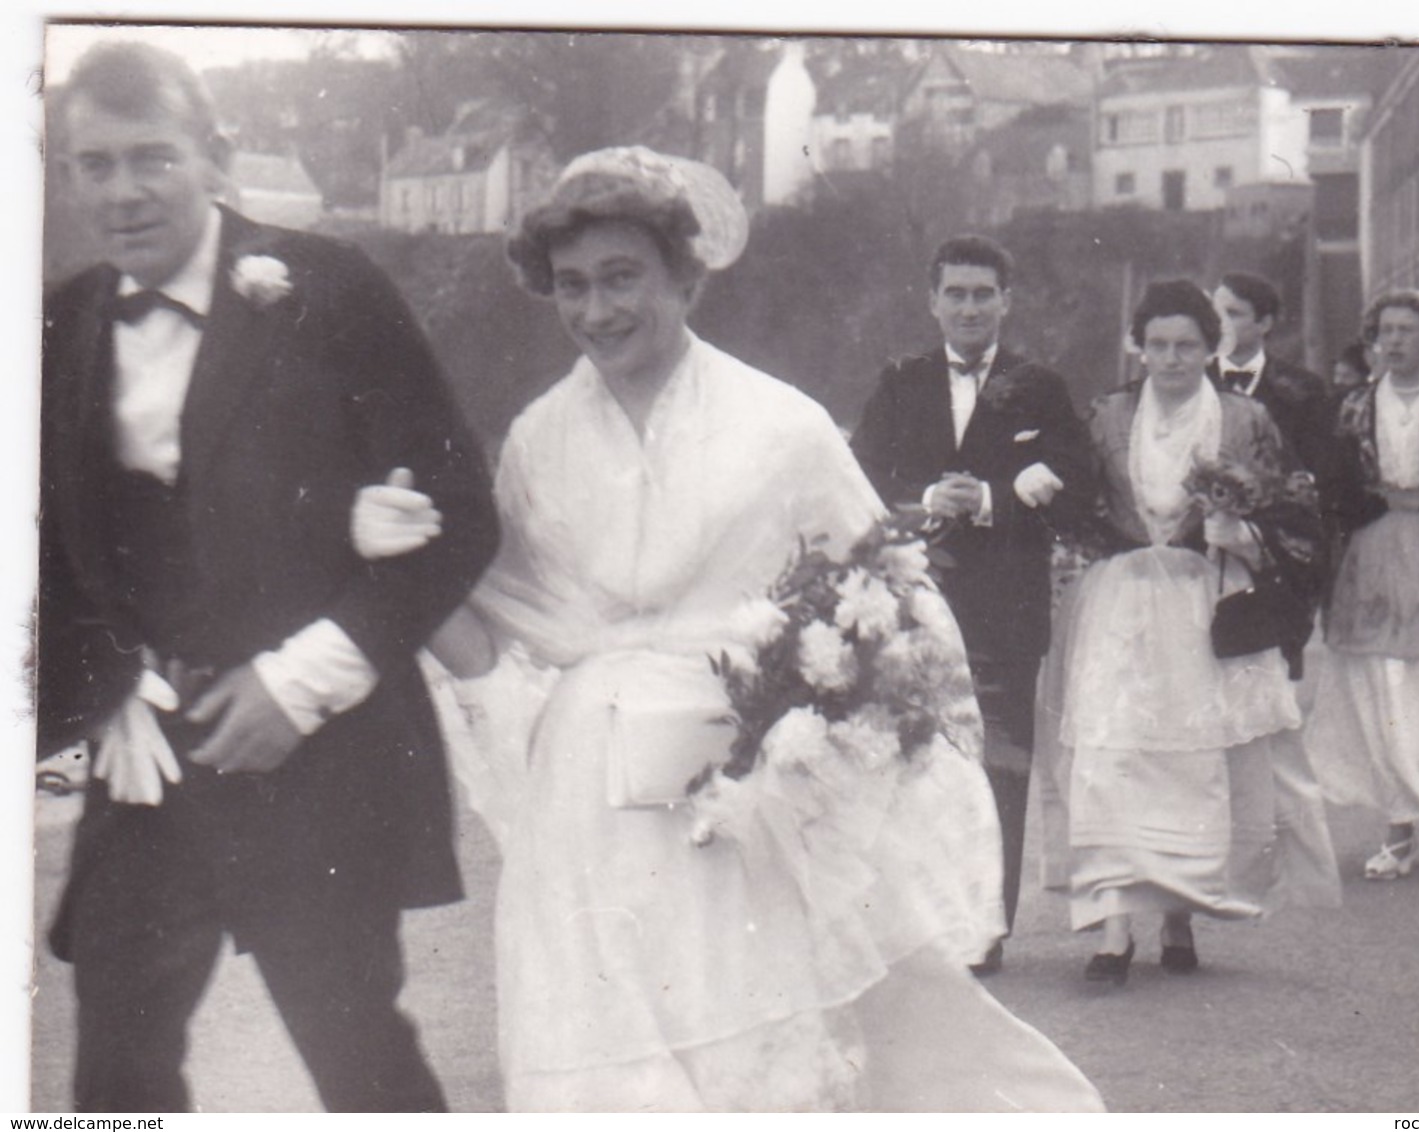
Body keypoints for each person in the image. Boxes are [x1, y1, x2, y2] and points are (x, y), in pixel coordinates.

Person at [353, 147, 1104, 1112]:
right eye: (571, 286)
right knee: (606, 1055)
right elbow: (501, 629)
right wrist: (403, 561)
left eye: (623, 277)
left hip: (739, 801)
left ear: (687, 276)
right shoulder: (541, 437)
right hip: (586, 807)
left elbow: (890, 600)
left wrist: (822, 744)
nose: (596, 310)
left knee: (751, 1048)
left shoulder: (782, 427)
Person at [38, 42, 500, 1112]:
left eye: (148, 157)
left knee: (362, 1066)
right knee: (113, 1075)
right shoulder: (58, 322)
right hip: (144, 766)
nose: (119, 190)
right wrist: (106, 684)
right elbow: (43, 555)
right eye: (89, 163)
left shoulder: (327, 292)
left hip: (320, 763)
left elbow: (458, 514)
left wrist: (300, 684)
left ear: (216, 155)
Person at [1036, 280, 1340, 985]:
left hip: (1208, 601)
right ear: (1138, 347)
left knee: (1191, 762)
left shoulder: (1244, 420)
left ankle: (1178, 915)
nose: (1171, 359)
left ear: (1212, 349)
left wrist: (1247, 534)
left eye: (1188, 346)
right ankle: (1113, 927)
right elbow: (1079, 508)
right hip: (1122, 601)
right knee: (1112, 755)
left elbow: (1297, 508)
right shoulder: (1107, 415)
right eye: (1158, 345)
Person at [849, 235, 1095, 972]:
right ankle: (922, 920)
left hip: (1008, 608)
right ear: (932, 302)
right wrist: (925, 500)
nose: (968, 307)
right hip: (918, 604)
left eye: (983, 294)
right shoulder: (901, 382)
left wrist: (992, 499)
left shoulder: (1040, 387)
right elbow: (856, 476)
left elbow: (1079, 488)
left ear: (1006, 302)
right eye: (954, 293)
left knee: (1001, 766)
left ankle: (986, 924)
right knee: (917, 759)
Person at [1304, 290, 1419, 879]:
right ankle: (1400, 828)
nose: (1395, 341)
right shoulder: (1353, 407)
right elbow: (1334, 484)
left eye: (1407, 330)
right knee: (1379, 690)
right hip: (1371, 552)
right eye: (1385, 331)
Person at [1210, 271, 1334, 481]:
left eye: (1232, 313)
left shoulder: (1305, 388)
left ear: (1264, 324)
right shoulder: (1194, 382)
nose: (1220, 323)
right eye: (1215, 313)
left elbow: (1317, 470)